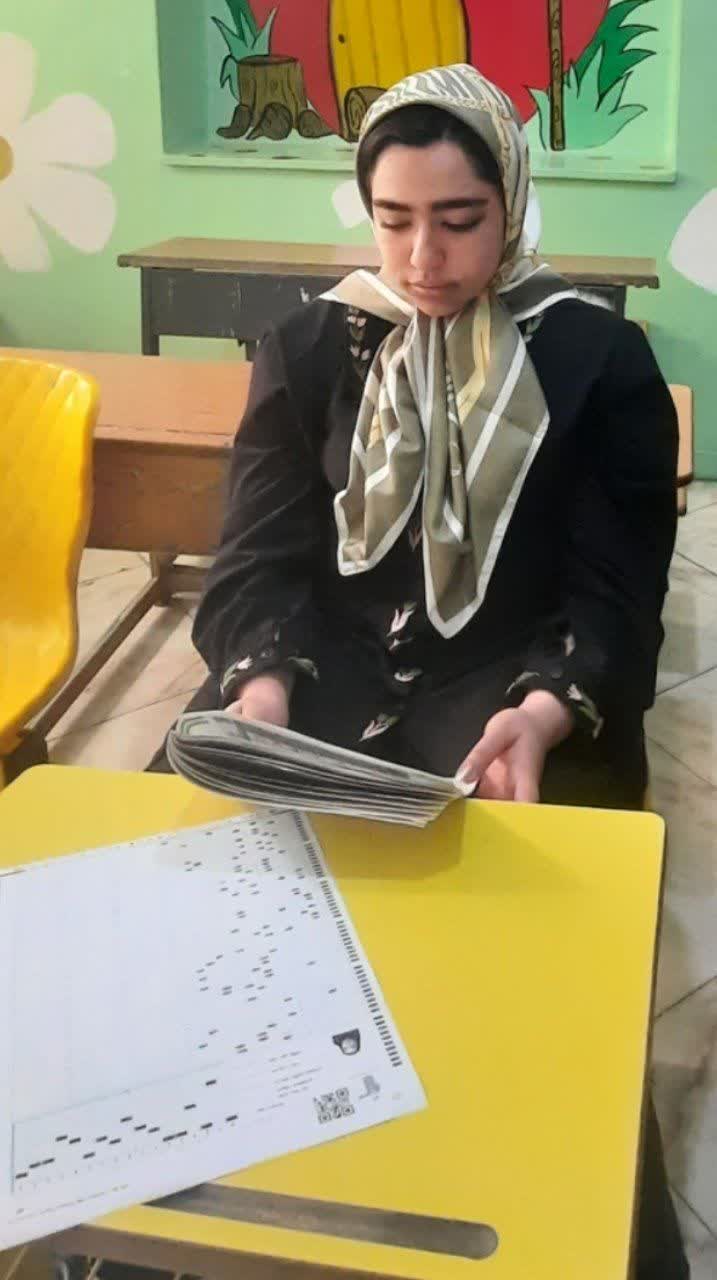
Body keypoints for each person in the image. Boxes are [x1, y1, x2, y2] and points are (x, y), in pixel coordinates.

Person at [150, 66, 687, 1276]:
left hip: (511, 686)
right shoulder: (310, 345)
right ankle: (176, 1211)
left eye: (459, 220)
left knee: (538, 963)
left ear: (513, 206)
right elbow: (256, 559)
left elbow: (612, 595)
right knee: (192, 905)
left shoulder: (596, 359)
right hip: (319, 671)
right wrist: (259, 683)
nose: (423, 259)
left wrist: (547, 708)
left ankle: (549, 1220)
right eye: (393, 220)